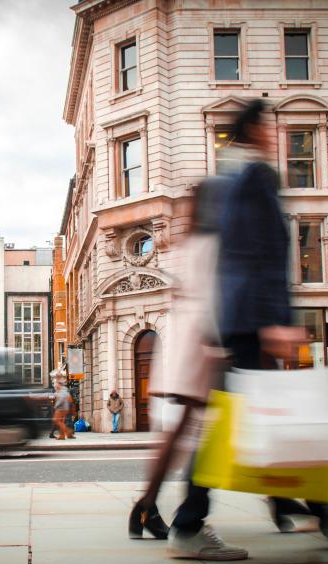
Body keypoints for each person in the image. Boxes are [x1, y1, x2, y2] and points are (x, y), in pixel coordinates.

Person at [167, 99, 328, 559]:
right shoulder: (256, 178)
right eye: (271, 127)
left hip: (237, 320)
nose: (276, 136)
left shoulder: (228, 179)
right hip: (255, 321)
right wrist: (277, 320)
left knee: (250, 421)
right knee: (246, 424)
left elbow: (229, 258)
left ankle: (327, 513)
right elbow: (262, 253)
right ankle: (190, 524)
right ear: (255, 131)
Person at [128, 179, 228, 542]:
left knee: (180, 436)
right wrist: (219, 350)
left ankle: (145, 508)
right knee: (192, 436)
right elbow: (212, 300)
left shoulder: (194, 241)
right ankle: (157, 511)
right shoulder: (213, 243)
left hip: (186, 344)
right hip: (200, 345)